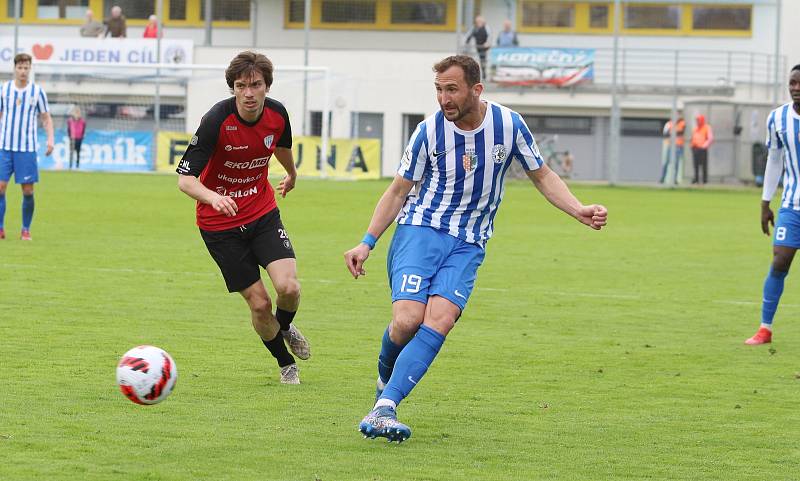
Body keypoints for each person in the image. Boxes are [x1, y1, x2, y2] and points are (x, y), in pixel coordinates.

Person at [344, 55, 608, 442]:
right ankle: (386, 377)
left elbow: (543, 175)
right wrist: (366, 242)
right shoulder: (429, 132)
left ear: (476, 90)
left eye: (451, 89)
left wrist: (577, 209)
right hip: (422, 231)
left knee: (441, 319)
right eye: (438, 89)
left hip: (469, 242)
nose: (443, 98)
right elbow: (399, 190)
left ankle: (385, 407)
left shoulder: (508, 124)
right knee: (406, 322)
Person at [176, 51, 311, 383]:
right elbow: (185, 179)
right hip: (220, 226)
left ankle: (286, 326)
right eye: (241, 86)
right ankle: (285, 364)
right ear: (233, 88)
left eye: (256, 85)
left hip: (262, 211)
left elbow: (280, 145)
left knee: (289, 287)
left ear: (266, 86)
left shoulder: (277, 114)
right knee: (260, 304)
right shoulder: (216, 121)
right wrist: (213, 197)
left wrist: (291, 173)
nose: (249, 93)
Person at [744, 64, 800, 345]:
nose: (796, 88)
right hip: (792, 205)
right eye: (792, 83)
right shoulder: (777, 118)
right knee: (780, 260)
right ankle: (765, 328)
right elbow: (774, 161)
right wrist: (765, 203)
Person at [0, 53, 54, 241]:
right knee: (0, 187)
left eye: (26, 68)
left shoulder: (37, 92)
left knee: (28, 191)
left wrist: (50, 139)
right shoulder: (4, 89)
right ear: (15, 69)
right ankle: (0, 228)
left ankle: (25, 229)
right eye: (20, 67)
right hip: (5, 147)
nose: (23, 71)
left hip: (27, 149)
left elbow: (45, 117)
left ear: (30, 69)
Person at [659, 116, 685, 185]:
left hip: (678, 146)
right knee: (666, 162)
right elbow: (665, 133)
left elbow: (681, 132)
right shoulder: (669, 124)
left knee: (676, 163)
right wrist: (674, 133)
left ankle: (675, 179)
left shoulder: (682, 123)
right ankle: (662, 178)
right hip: (670, 146)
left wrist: (673, 133)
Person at [690, 114, 713, 184]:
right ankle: (696, 179)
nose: (697, 121)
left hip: (702, 149)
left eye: (698, 120)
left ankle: (704, 180)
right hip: (695, 148)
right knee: (695, 165)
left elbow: (710, 138)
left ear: (702, 120)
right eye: (697, 120)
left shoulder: (707, 127)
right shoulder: (695, 128)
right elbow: (693, 138)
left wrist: (704, 146)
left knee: (703, 165)